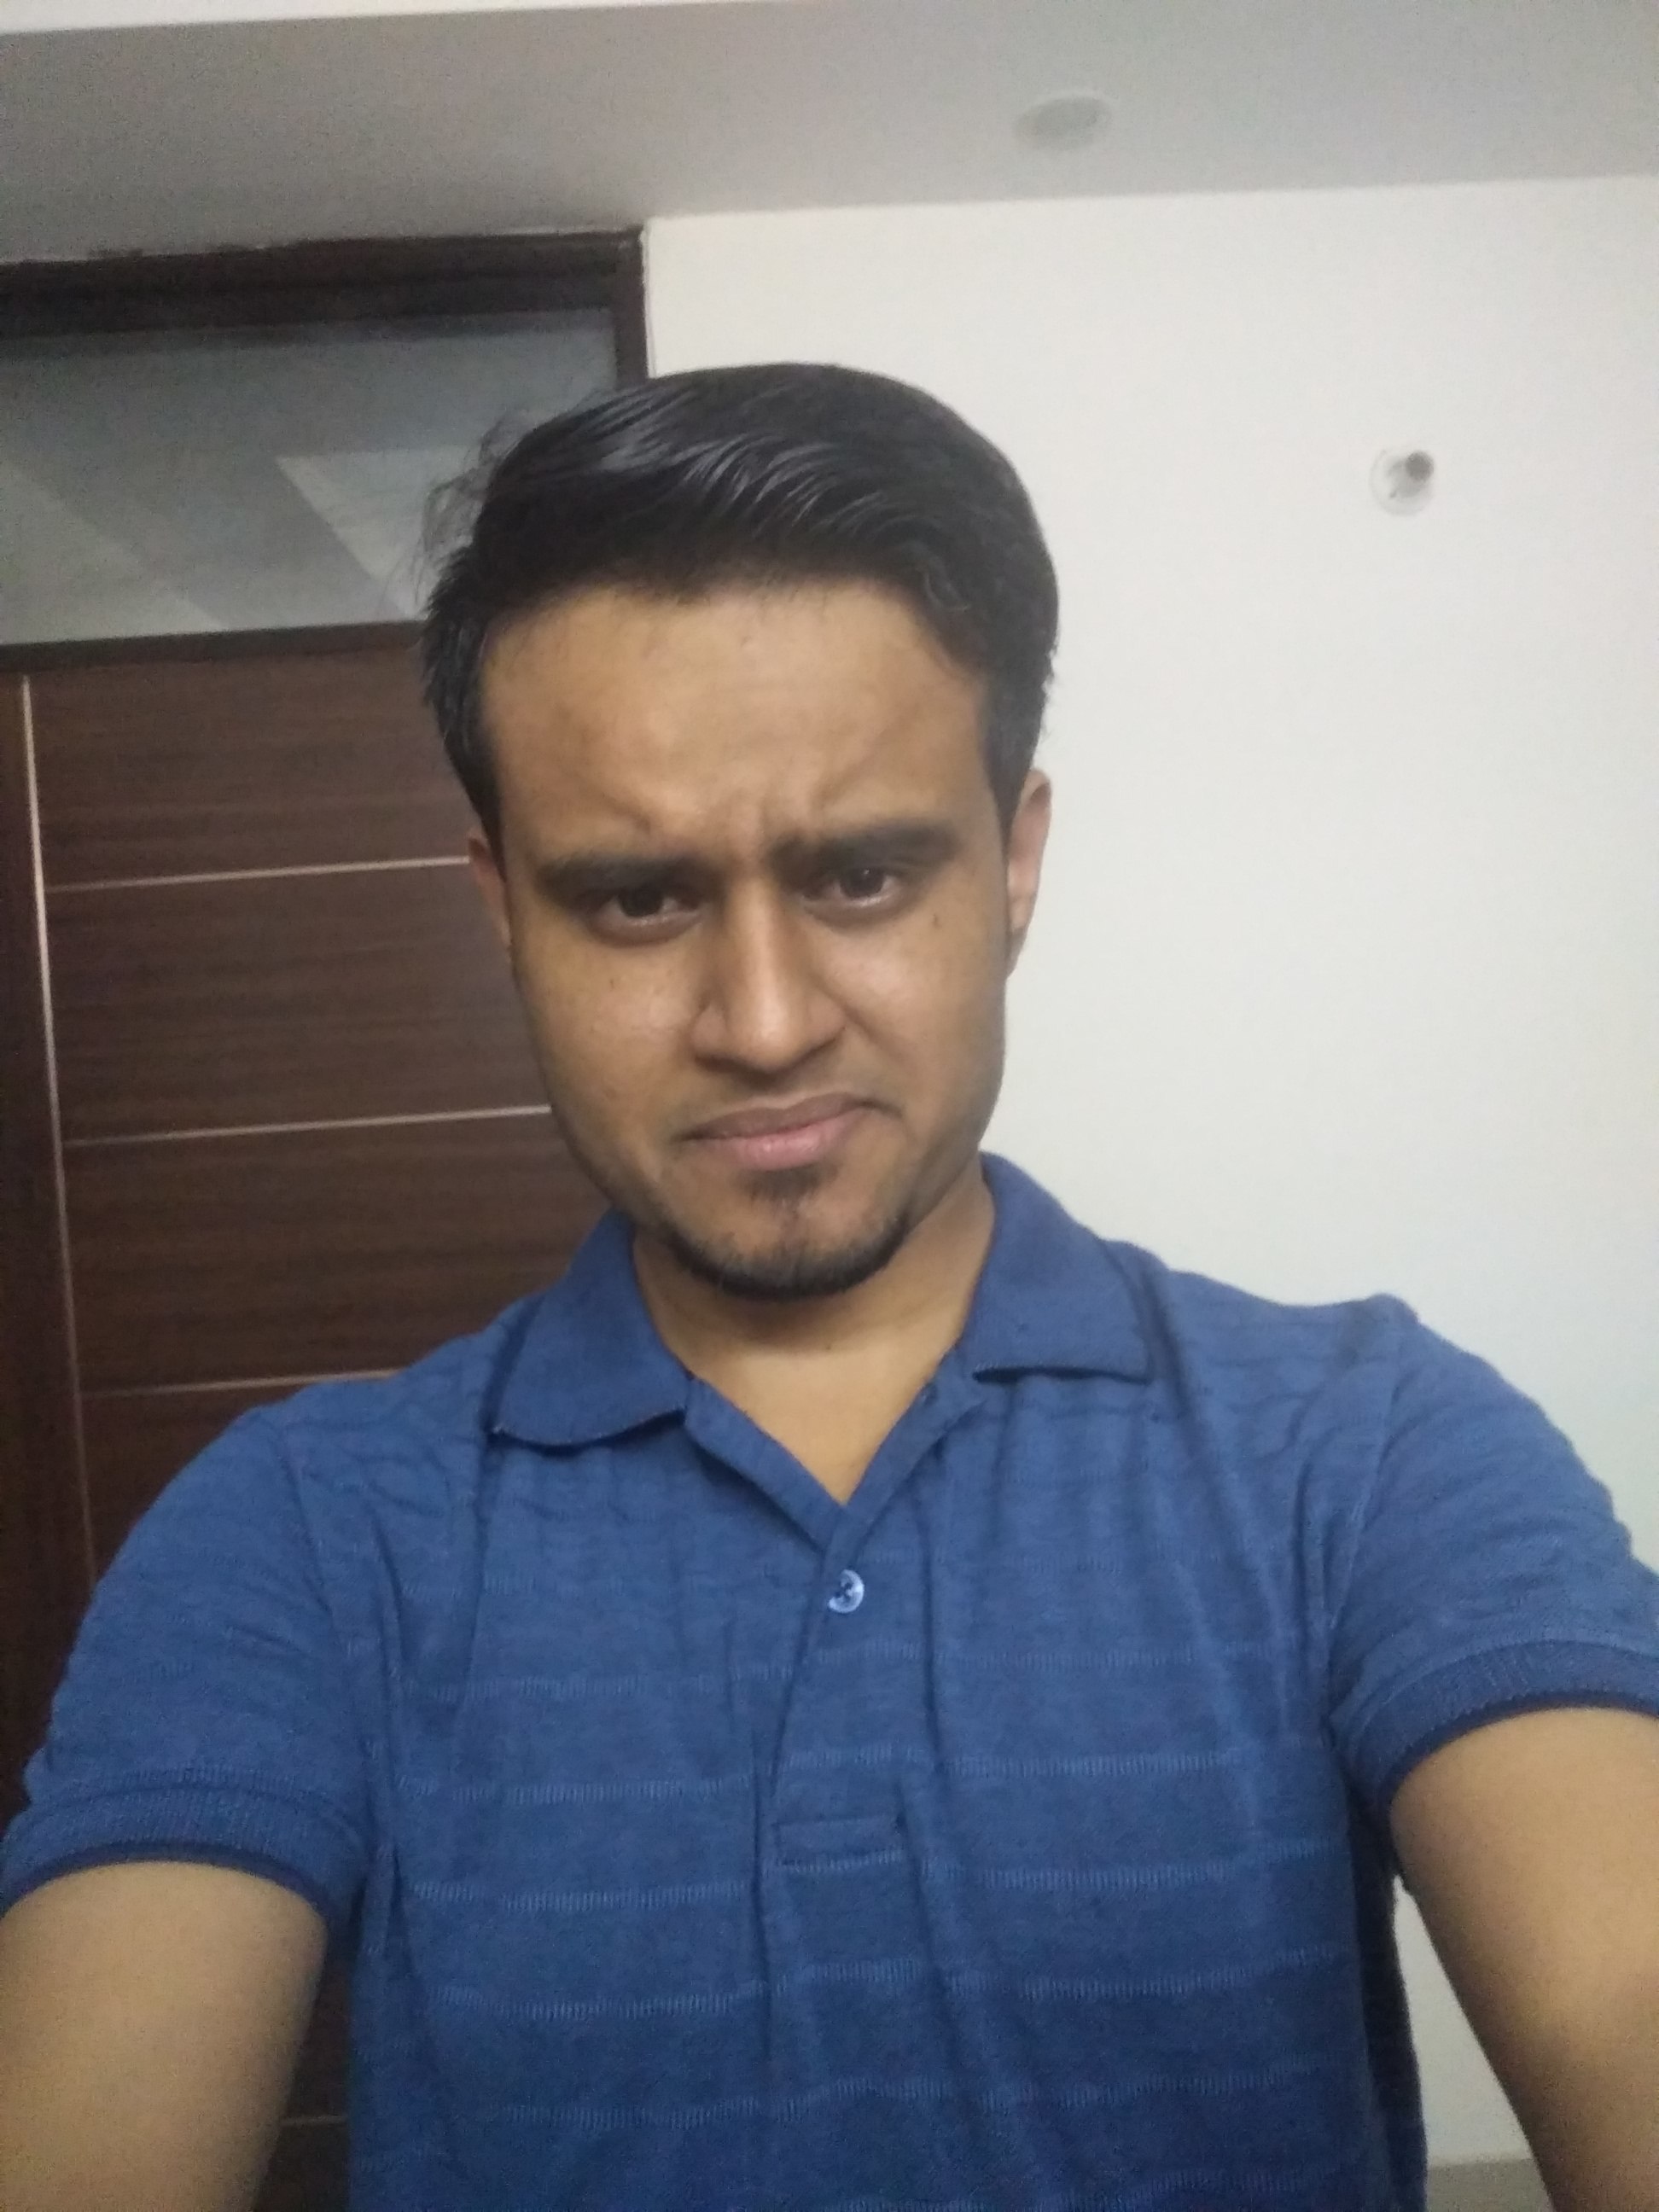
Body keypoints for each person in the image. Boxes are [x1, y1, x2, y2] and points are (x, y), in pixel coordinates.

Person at [2, 364, 1656, 2212]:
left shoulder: (1368, 1451)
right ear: (503, 912)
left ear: (1015, 860)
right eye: (638, 899)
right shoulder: (300, 1536)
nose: (768, 1020)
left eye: (862, 875)